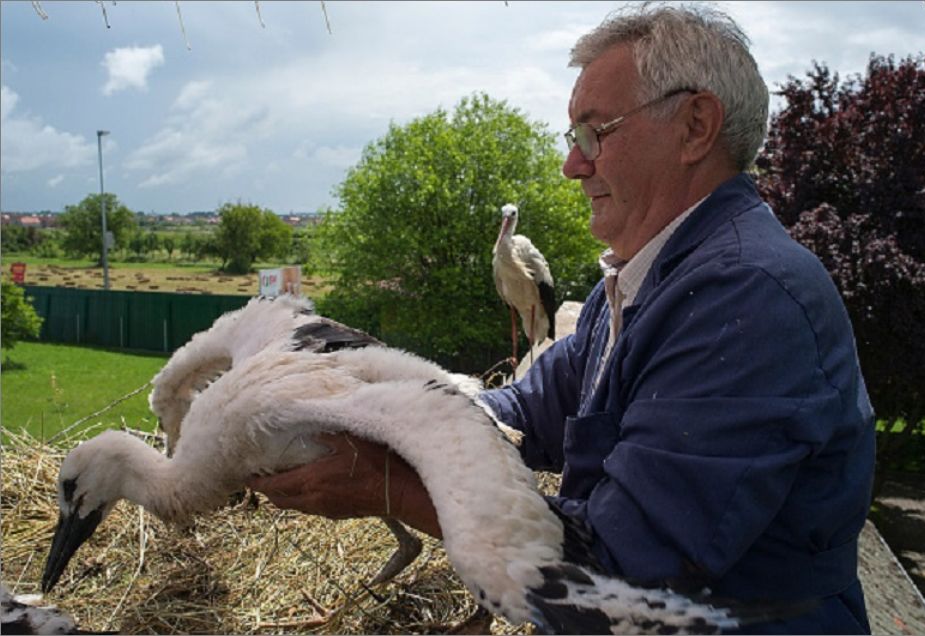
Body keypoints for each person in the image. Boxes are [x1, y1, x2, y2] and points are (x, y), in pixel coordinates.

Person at [249, 3, 876, 633]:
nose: (572, 165)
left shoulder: (744, 298)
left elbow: (620, 579)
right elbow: (524, 415)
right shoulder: (642, 282)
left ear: (694, 126)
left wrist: (394, 489)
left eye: (594, 133)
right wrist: (387, 412)